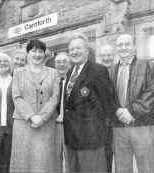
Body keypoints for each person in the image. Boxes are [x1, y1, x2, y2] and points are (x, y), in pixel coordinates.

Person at [63, 33, 116, 172]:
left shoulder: (98, 70)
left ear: (87, 51)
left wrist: (97, 130)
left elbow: (107, 105)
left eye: (78, 48)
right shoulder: (70, 73)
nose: (74, 52)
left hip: (90, 139)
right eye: (71, 49)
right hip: (72, 137)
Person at [110, 33, 154, 173]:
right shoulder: (111, 71)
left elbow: (153, 93)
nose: (123, 47)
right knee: (122, 168)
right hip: (119, 127)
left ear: (134, 46)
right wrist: (117, 111)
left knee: (147, 167)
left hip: (142, 125)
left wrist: (132, 111)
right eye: (120, 45)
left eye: (127, 44)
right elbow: (109, 96)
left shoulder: (149, 67)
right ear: (116, 48)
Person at [10, 39, 59, 173]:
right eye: (34, 51)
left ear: (44, 54)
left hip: (46, 124)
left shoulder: (53, 73)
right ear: (28, 53)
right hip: (23, 123)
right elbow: (17, 96)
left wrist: (42, 117)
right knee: (22, 161)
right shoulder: (18, 72)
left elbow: (55, 97)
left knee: (43, 162)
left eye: (40, 51)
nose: (37, 55)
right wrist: (31, 116)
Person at [98, 43, 116, 173]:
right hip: (102, 122)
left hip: (118, 120)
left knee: (121, 155)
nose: (106, 58)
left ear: (113, 56)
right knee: (105, 153)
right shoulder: (96, 72)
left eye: (109, 55)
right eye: (103, 55)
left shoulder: (119, 69)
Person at [54, 52, 71, 173]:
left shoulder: (74, 80)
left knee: (70, 159)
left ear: (69, 64)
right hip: (53, 126)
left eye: (64, 61)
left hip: (70, 126)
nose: (61, 64)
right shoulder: (51, 81)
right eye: (58, 62)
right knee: (54, 159)